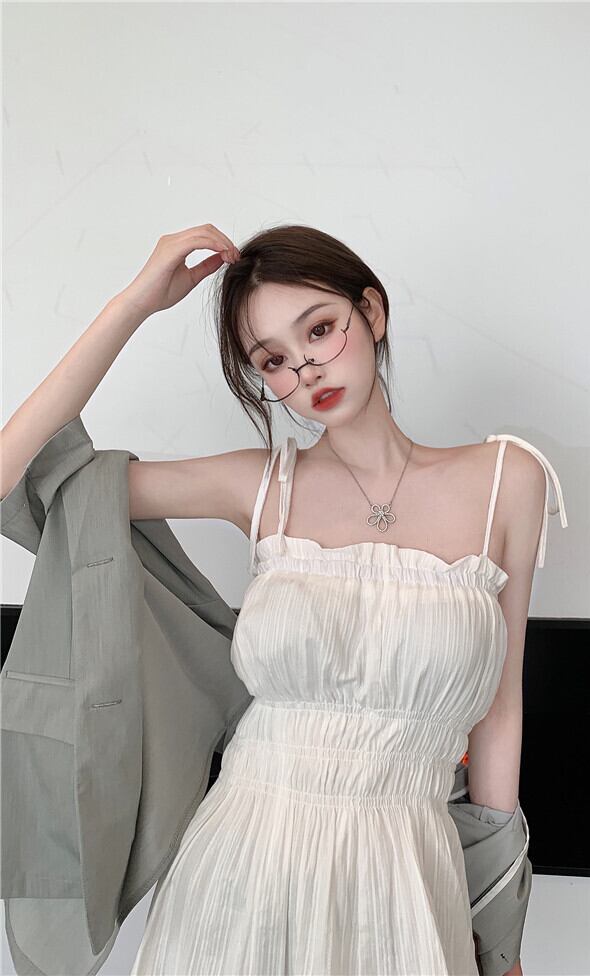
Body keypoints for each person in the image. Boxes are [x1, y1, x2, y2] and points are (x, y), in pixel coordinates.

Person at [1, 223, 558, 975]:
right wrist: (134, 304)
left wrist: (500, 925)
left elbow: (499, 710)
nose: (305, 368)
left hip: (408, 864)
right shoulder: (259, 485)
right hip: (244, 860)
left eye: (320, 330)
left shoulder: (506, 480)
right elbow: (15, 478)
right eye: (273, 360)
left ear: (372, 312)